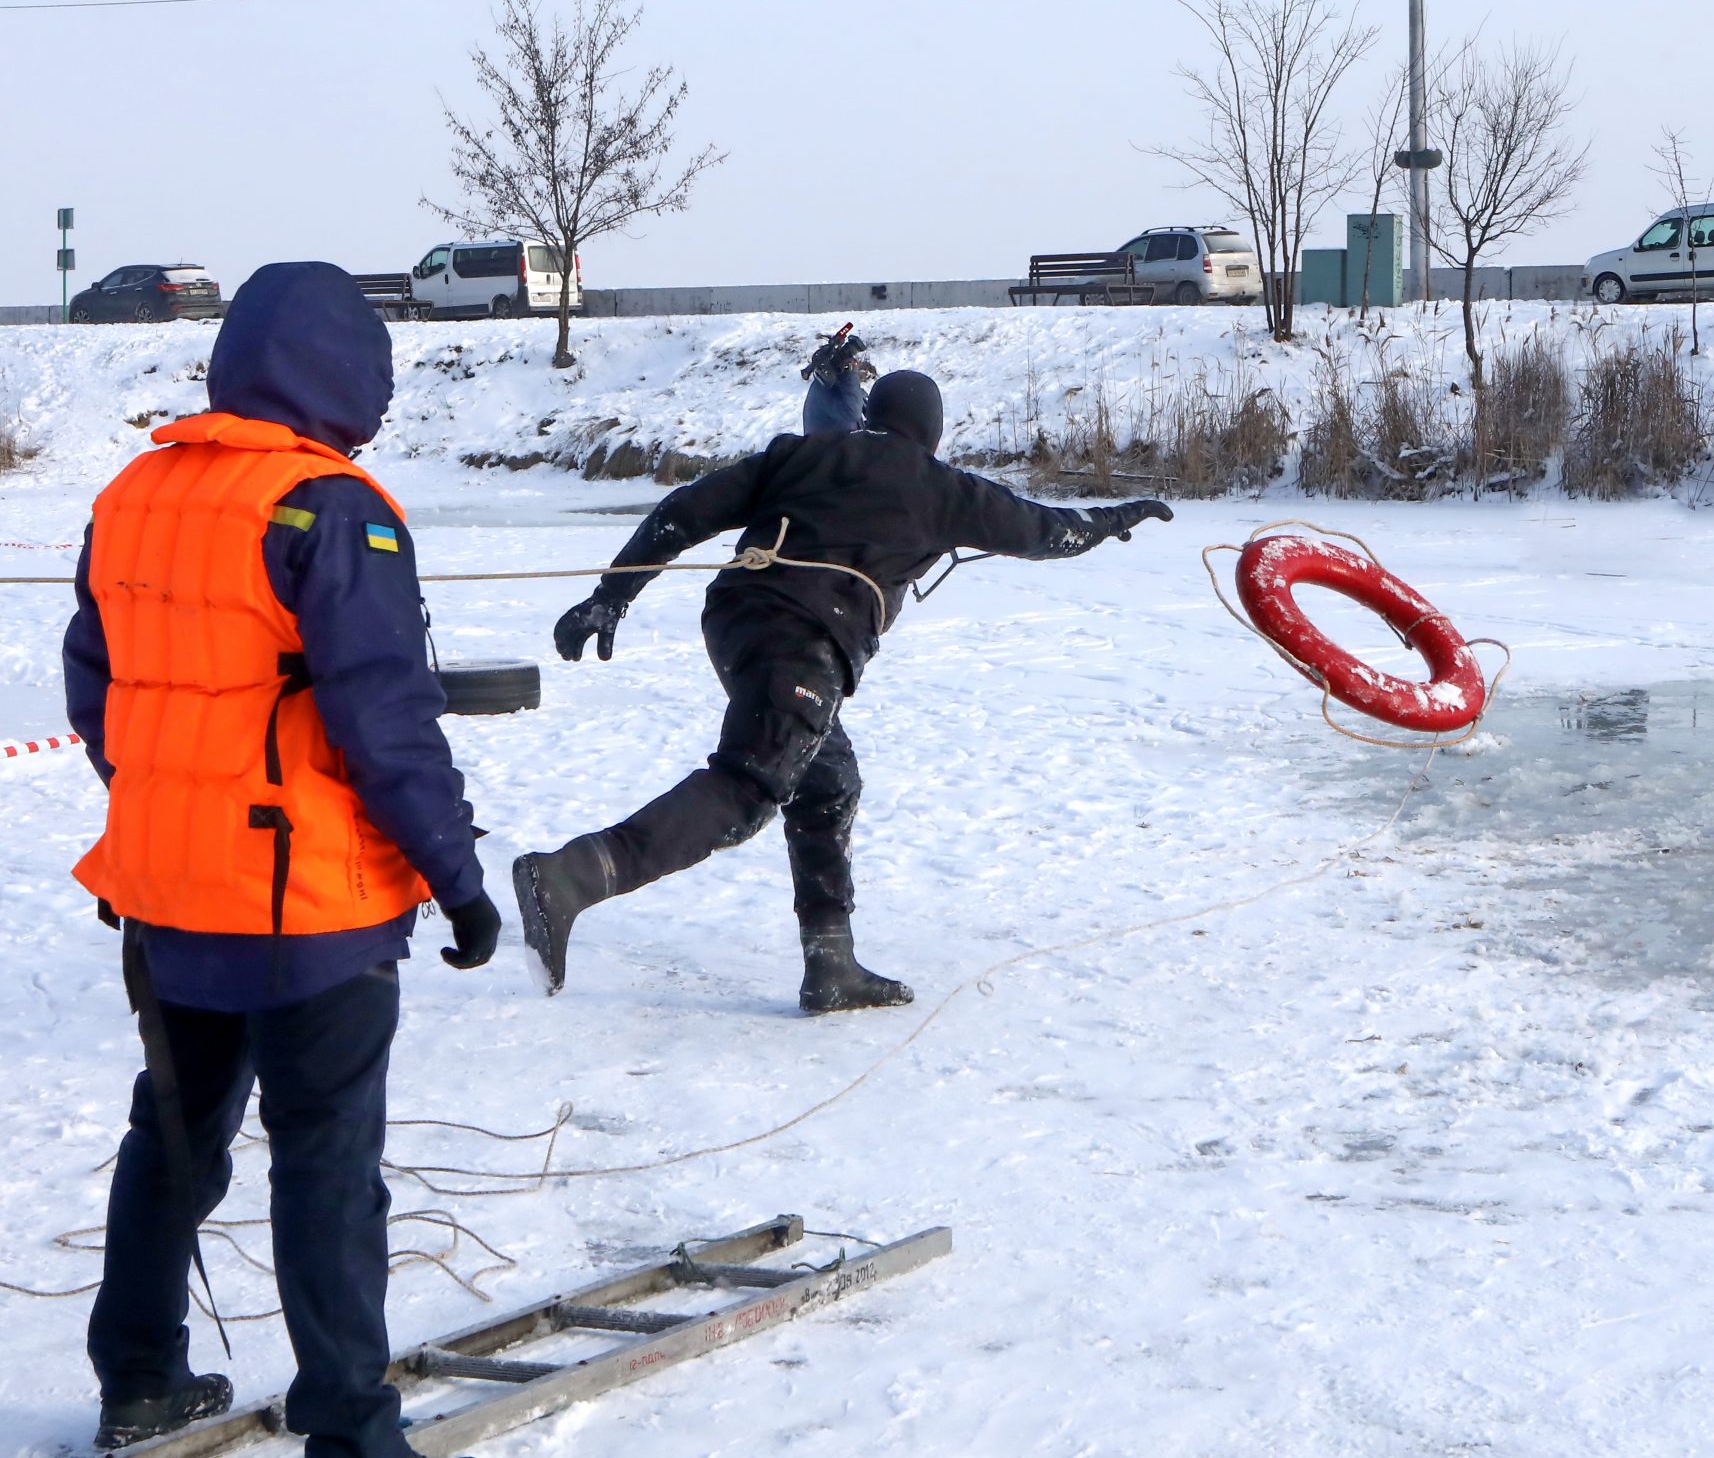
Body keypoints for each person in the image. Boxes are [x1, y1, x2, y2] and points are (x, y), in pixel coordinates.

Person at [65, 263, 501, 1456]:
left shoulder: (133, 493)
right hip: (308, 908)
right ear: (340, 369)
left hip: (165, 893)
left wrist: (162, 806)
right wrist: (457, 878)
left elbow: (97, 692)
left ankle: (141, 1378)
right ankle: (353, 1430)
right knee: (326, 1165)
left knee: (174, 1136)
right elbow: (387, 724)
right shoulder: (330, 506)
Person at [513, 365, 1172, 1010]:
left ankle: (831, 963)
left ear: (871, 416)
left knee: (828, 780)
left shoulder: (800, 453)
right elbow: (1042, 531)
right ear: (930, 433)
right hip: (803, 640)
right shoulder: (940, 488)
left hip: (736, 623)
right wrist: (1115, 517)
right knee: (749, 786)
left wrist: (612, 593)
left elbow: (685, 510)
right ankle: (572, 875)